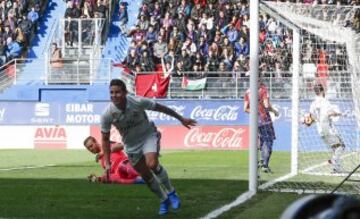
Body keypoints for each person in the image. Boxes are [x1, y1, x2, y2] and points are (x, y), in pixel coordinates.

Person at [101, 79, 197, 215]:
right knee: (146, 176)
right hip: (131, 145)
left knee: (151, 164)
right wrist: (107, 164)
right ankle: (164, 200)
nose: (114, 95)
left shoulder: (137, 101)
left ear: (125, 92)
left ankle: (171, 192)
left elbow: (161, 108)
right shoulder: (107, 114)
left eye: (117, 92)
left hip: (148, 136)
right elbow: (105, 139)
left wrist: (181, 118)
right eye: (111, 92)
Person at [304, 83, 345, 173]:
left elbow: (312, 118)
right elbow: (330, 113)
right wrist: (339, 113)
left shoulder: (313, 104)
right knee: (341, 146)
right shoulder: (324, 101)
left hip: (320, 130)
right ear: (322, 91)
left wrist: (307, 122)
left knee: (335, 147)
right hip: (327, 128)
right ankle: (334, 162)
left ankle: (336, 167)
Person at [243, 78, 278, 173]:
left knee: (261, 141)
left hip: (255, 121)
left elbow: (245, 109)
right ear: (259, 80)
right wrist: (275, 111)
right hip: (264, 120)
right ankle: (265, 164)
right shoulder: (263, 89)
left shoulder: (248, 91)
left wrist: (255, 112)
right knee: (269, 140)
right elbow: (266, 105)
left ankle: (260, 161)